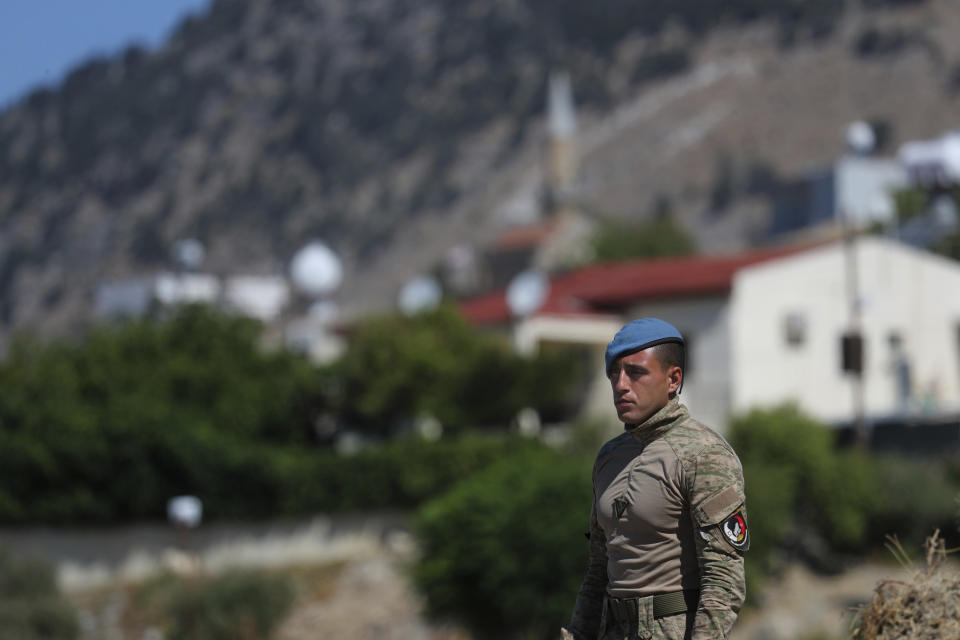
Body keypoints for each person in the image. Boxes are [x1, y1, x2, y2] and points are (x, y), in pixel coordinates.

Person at [563, 318, 748, 640]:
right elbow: (597, 571)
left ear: (673, 378)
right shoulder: (609, 457)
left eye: (635, 372)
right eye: (614, 373)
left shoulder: (704, 454)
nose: (621, 385)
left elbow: (723, 580)